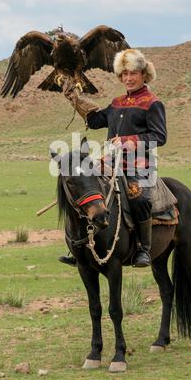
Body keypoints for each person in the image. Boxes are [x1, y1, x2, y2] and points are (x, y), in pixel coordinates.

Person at [59, 49, 167, 267]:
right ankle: (80, 246)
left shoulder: (152, 103)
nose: (128, 78)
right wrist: (75, 99)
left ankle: (143, 249)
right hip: (109, 163)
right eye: (124, 74)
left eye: (133, 73)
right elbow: (97, 120)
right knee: (86, 191)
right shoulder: (117, 102)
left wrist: (127, 140)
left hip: (139, 165)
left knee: (139, 198)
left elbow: (159, 136)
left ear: (143, 74)